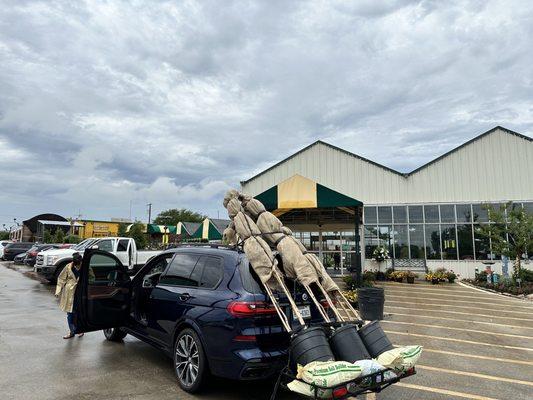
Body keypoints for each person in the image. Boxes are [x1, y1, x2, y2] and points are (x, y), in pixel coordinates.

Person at [55, 252, 84, 339]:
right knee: (70, 313)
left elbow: (91, 277)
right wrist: (58, 291)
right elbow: (61, 278)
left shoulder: (85, 267)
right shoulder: (68, 267)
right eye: (76, 264)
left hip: (80, 292)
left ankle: (79, 329)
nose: (77, 266)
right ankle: (71, 331)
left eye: (79, 264)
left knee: (78, 312)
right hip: (69, 292)